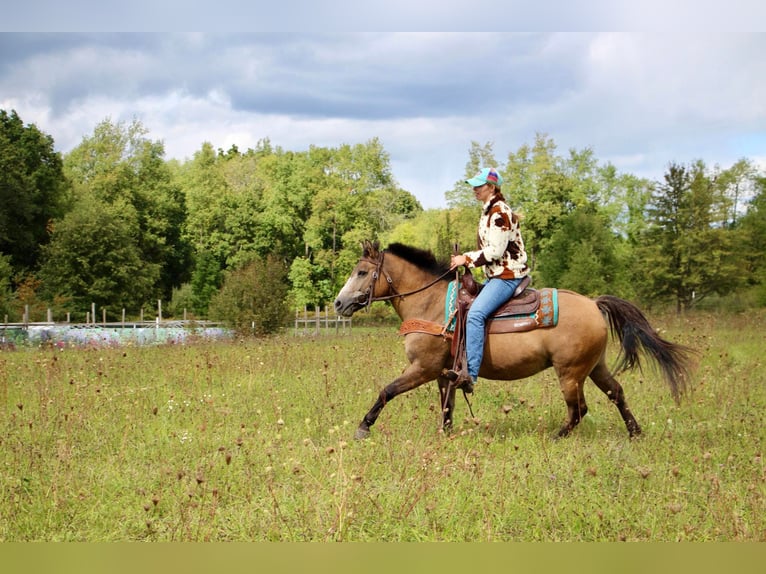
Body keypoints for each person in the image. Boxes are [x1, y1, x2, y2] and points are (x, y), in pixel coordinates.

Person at [448, 167, 529, 394]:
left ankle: (470, 374)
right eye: (474, 186)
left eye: (479, 186)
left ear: (491, 187)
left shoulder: (499, 212)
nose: (474, 190)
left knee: (475, 315)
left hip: (507, 276)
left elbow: (494, 251)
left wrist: (466, 258)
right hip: (497, 275)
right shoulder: (489, 211)